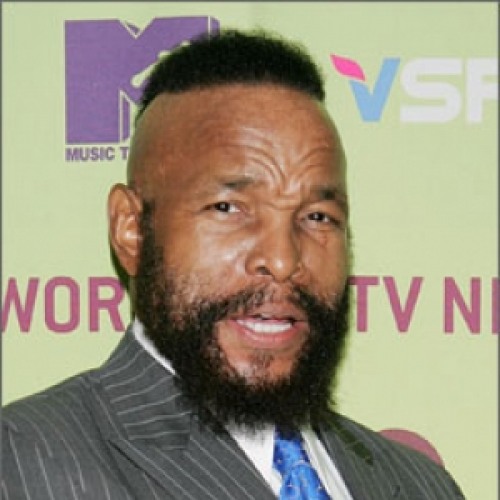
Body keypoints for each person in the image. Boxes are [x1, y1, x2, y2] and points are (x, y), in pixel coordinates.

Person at [2, 29, 464, 500]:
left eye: (317, 217)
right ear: (132, 230)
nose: (282, 260)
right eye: (228, 208)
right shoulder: (21, 461)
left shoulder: (423, 486)